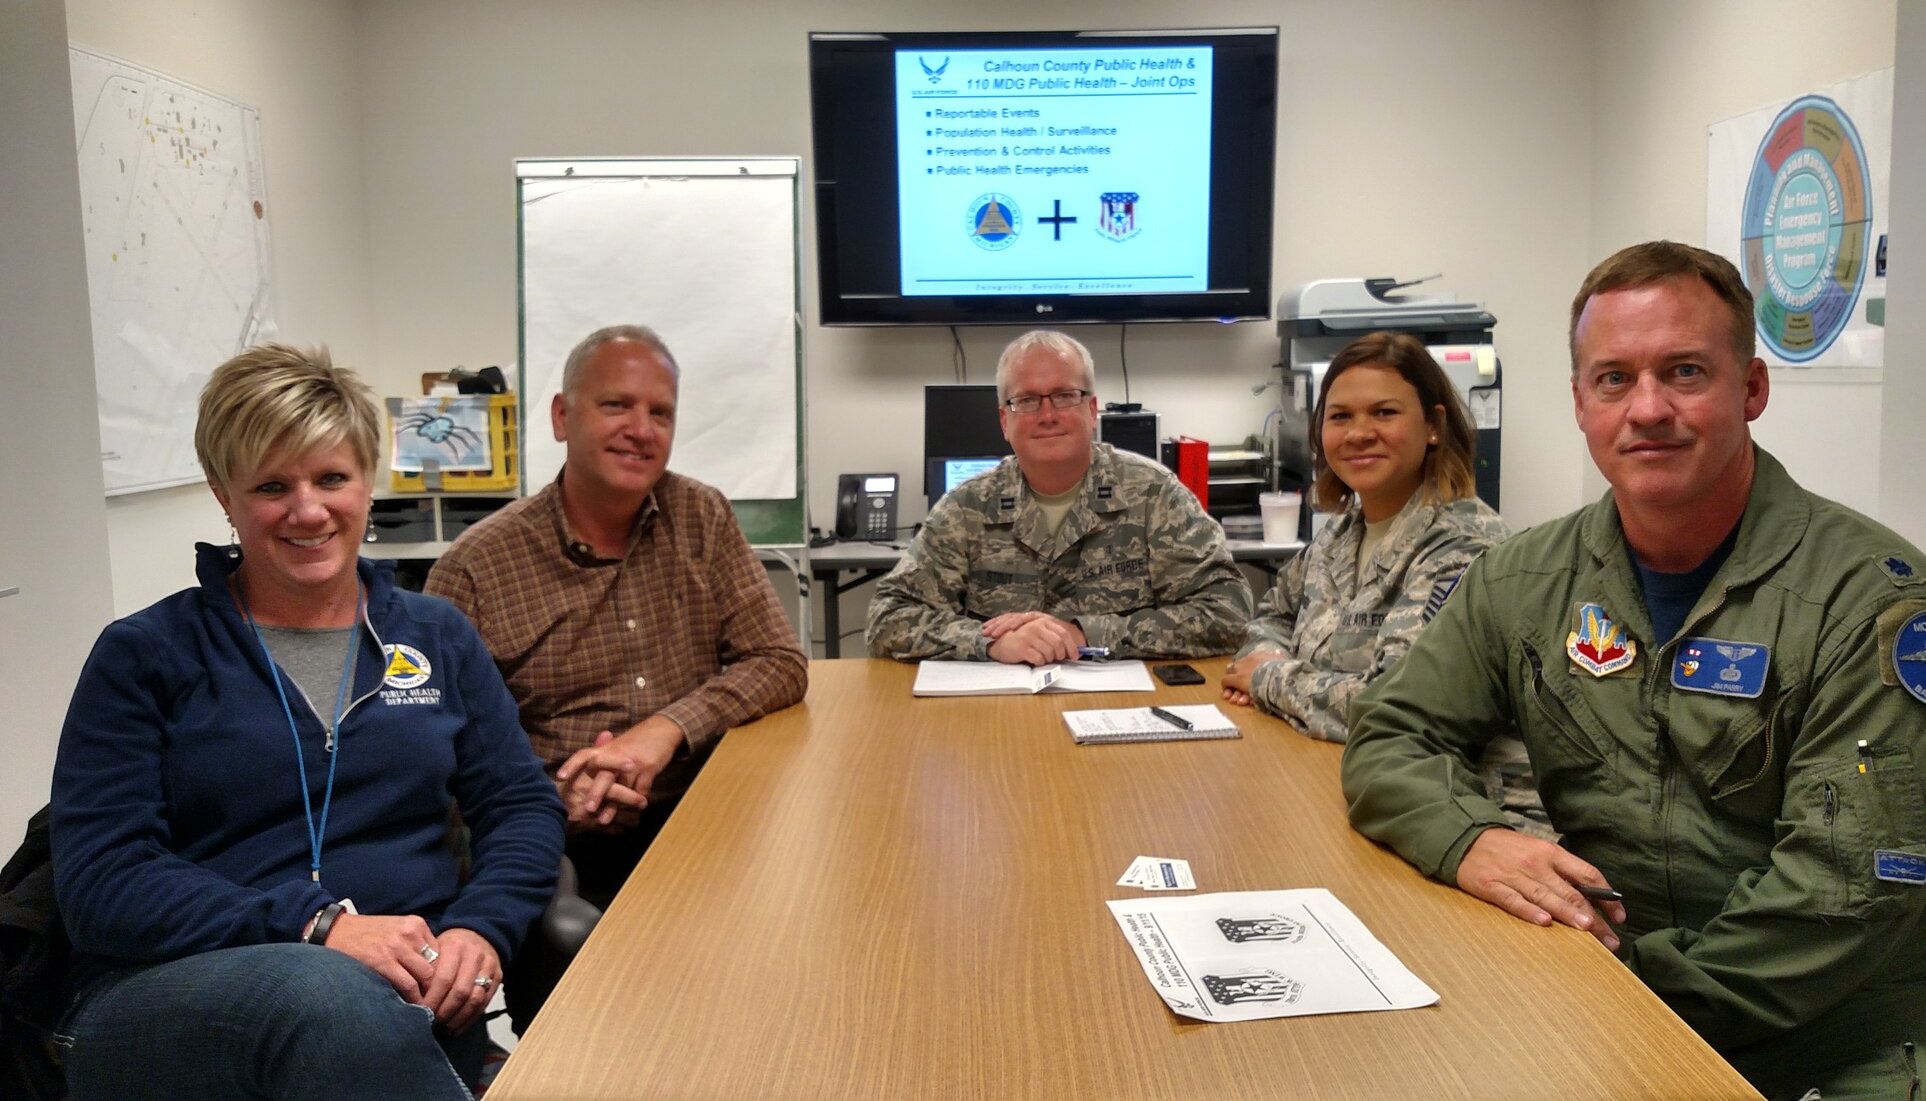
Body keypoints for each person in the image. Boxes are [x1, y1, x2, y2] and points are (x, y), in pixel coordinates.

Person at [1341, 241, 1926, 1097]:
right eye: (1613, 378)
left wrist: (1620, 1001)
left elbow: (1846, 892)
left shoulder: (1876, 604)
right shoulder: (1525, 578)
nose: (1647, 407)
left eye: (1684, 371)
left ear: (1752, 389)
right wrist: (1472, 839)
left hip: (1859, 1012)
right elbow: (1391, 734)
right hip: (1604, 973)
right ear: (1580, 402)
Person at [49, 344, 565, 1100]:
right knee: (328, 996)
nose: (309, 509)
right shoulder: (147, 654)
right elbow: (103, 882)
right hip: (170, 997)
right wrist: (317, 926)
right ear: (224, 495)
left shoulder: (436, 636)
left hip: (400, 1010)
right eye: (271, 485)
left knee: (365, 1019)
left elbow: (520, 805)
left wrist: (480, 927)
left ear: (367, 480)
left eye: (332, 477)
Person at [426, 323, 807, 1034]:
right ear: (563, 417)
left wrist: (661, 733)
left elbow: (779, 661)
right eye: (616, 406)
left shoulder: (702, 514)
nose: (641, 429)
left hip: (704, 817)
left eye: (659, 412)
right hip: (556, 842)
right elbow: (436, 764)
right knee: (605, 1024)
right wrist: (552, 802)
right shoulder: (477, 567)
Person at [1217, 333, 1546, 836]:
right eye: (1340, 416)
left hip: (1463, 816)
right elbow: (1271, 616)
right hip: (1329, 780)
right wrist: (1267, 657)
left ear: (1434, 426)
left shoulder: (1463, 548)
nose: (1359, 433)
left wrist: (1266, 680)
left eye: (1385, 413)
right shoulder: (1341, 535)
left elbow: (1389, 707)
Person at [866, 330, 1251, 662]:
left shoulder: (1153, 495)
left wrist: (1086, 635)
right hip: (994, 716)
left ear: (1092, 409)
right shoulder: (967, 507)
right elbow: (887, 617)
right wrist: (990, 641)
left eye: (1065, 395)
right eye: (1027, 400)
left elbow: (1229, 611)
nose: (1047, 415)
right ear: (1005, 420)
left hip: (1123, 710)